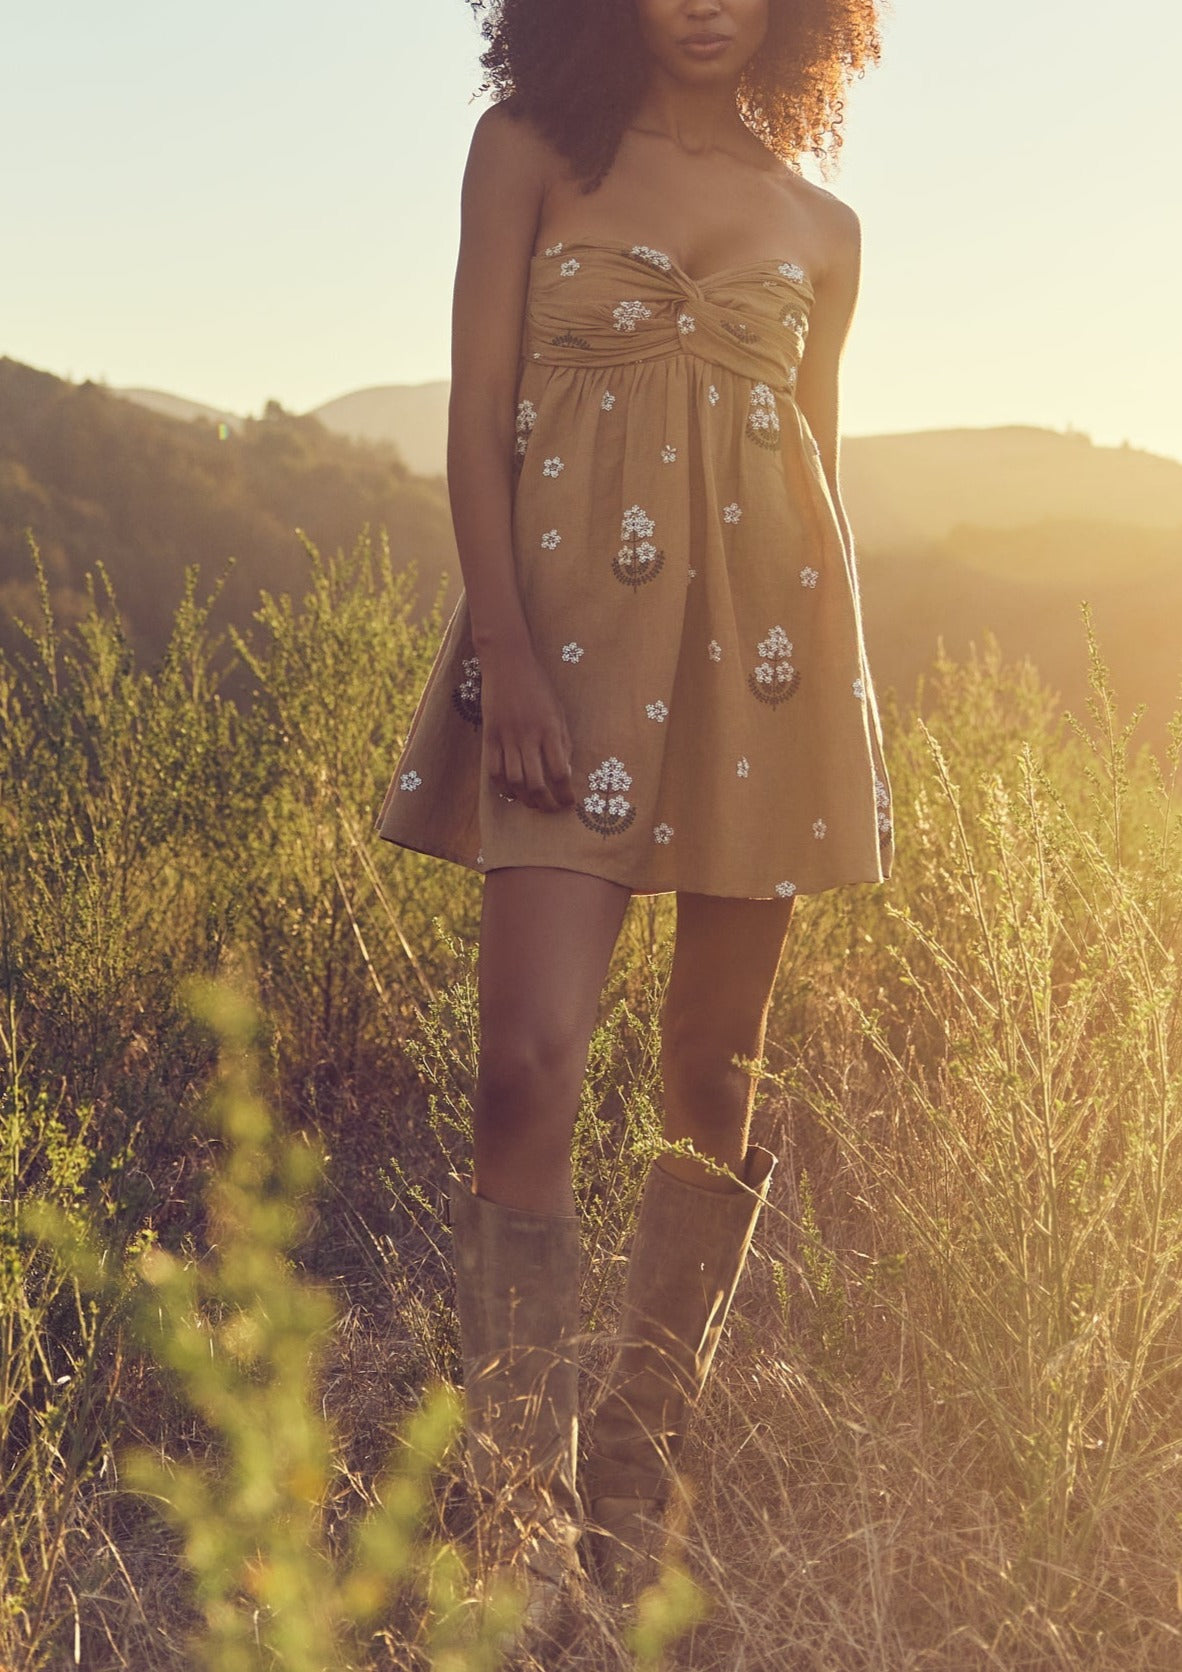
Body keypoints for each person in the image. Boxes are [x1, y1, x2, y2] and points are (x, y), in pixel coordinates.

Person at [377, 0, 893, 1649]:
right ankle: (507, 1505)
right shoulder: (529, 153)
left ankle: (630, 1474)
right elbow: (473, 415)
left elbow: (811, 464)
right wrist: (507, 654)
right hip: (567, 660)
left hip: (768, 668)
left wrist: (831, 718)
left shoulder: (822, 225)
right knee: (522, 1061)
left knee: (711, 1076)